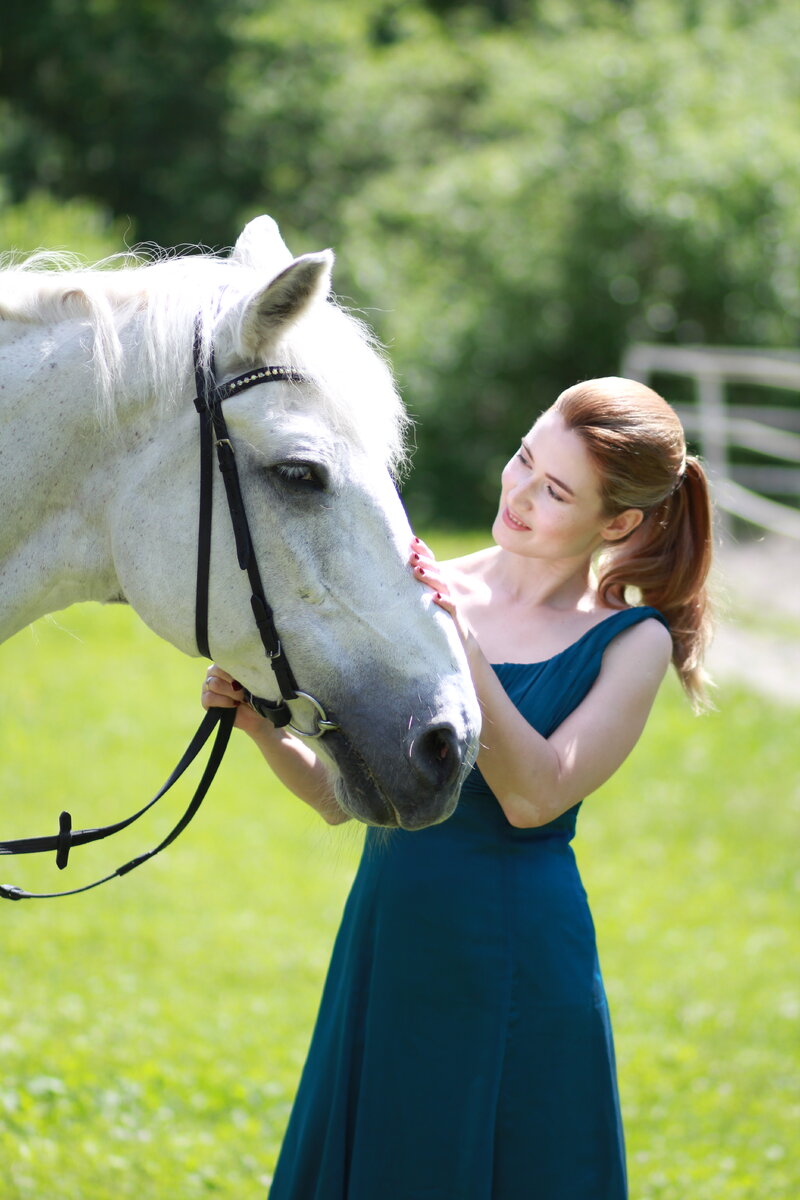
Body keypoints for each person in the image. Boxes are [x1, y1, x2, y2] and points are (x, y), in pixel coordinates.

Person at [202, 376, 713, 1200]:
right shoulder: (421, 585)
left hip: (514, 950)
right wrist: (263, 728)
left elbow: (536, 795)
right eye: (523, 459)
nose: (519, 492)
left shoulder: (632, 640)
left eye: (555, 491)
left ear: (617, 523)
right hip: (392, 924)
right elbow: (347, 796)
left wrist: (462, 650)